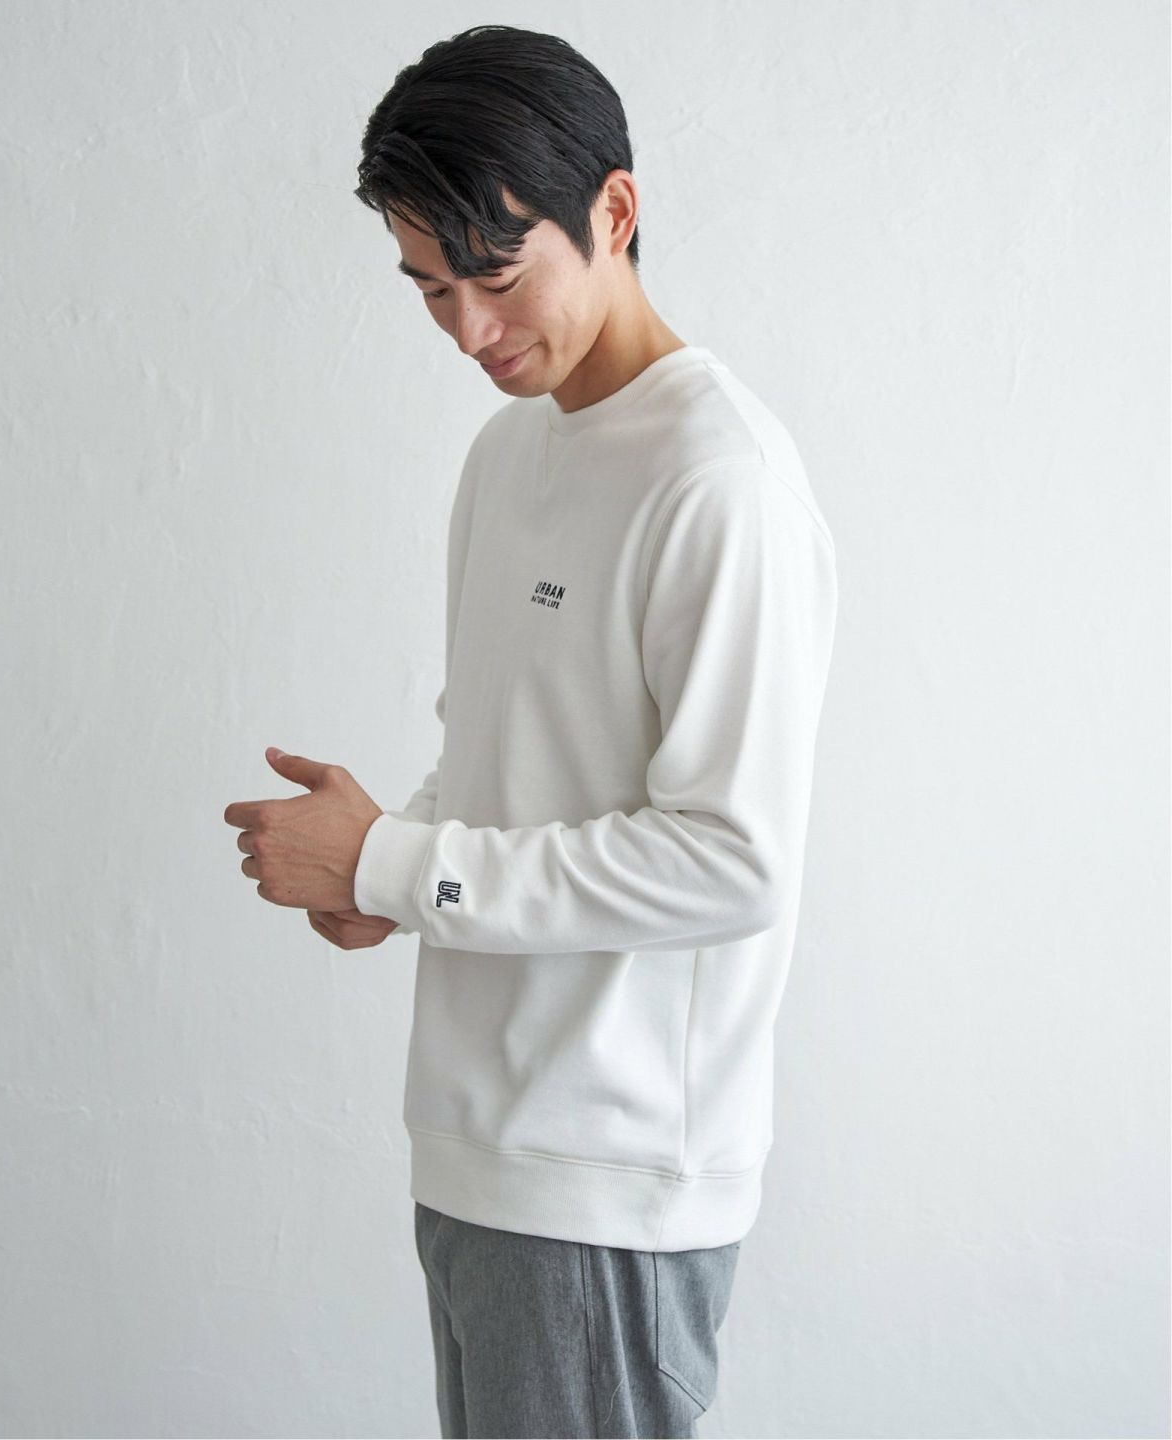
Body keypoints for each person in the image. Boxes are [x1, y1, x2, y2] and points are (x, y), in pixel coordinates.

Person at [324, 23, 838, 1438]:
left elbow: (733, 860)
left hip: (608, 1188)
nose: (469, 333)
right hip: (474, 1155)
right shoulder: (507, 454)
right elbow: (501, 756)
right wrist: (384, 866)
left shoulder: (720, 482)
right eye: (430, 289)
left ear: (614, 211)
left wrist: (391, 865)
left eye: (495, 278)